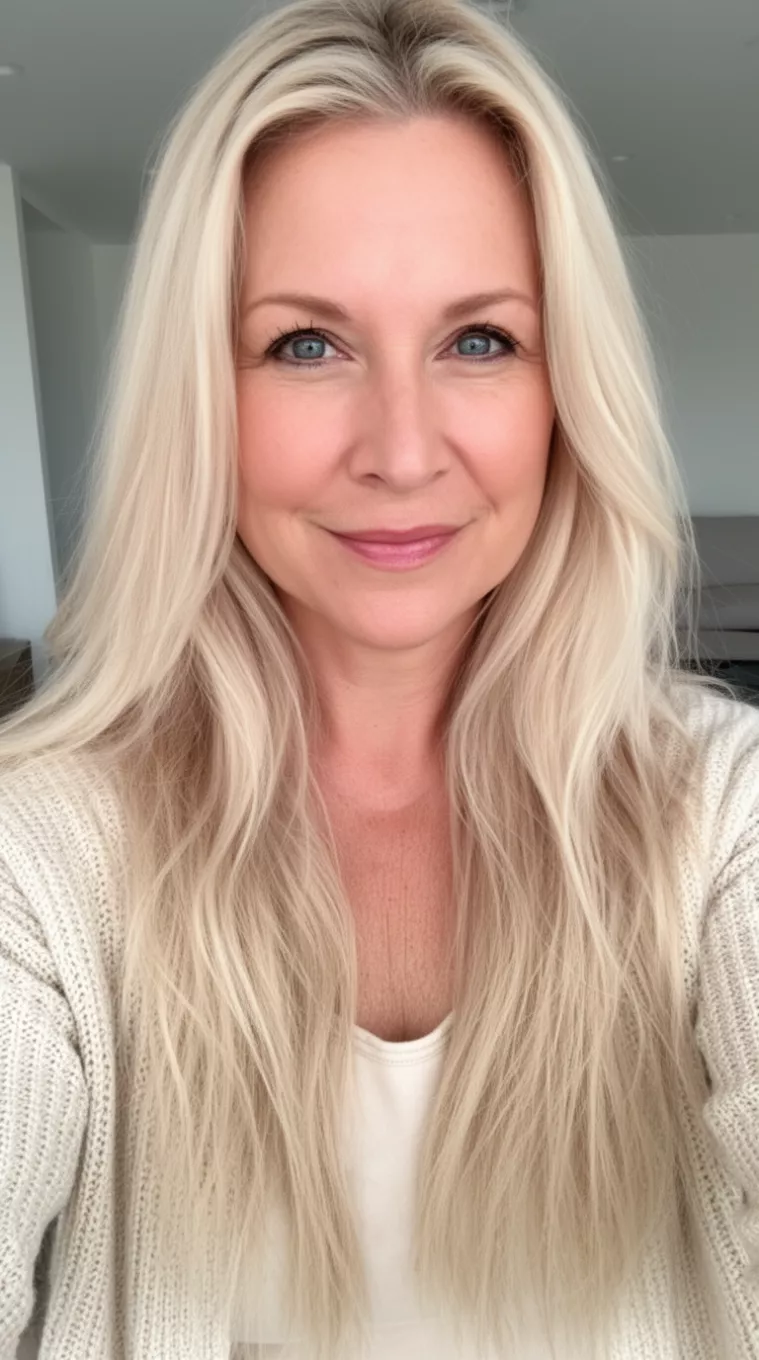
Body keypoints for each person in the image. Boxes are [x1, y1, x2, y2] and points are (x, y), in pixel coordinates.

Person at [0, 0, 757, 1356]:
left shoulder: (723, 820)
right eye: (307, 344)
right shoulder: (38, 859)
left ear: (565, 392)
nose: (402, 451)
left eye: (481, 340)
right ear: (202, 399)